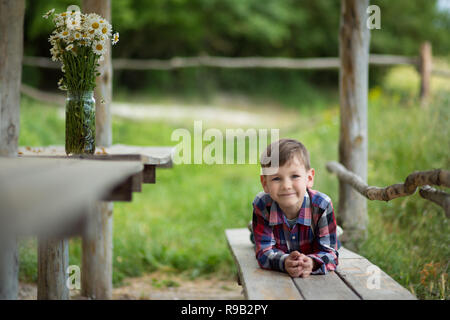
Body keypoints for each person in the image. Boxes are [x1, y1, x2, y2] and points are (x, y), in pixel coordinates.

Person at [251, 138, 340, 278]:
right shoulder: (262, 205)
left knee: (334, 241)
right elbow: (264, 252)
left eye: (295, 176)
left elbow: (330, 254)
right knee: (255, 239)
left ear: (309, 178)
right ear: (265, 183)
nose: (286, 185)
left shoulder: (322, 205)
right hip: (278, 243)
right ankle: (254, 229)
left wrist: (312, 262)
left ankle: (335, 231)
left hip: (312, 243)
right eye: (276, 178)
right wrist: (284, 261)